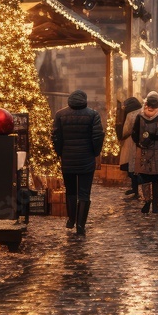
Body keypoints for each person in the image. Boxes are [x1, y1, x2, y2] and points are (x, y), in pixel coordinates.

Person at [51, 89, 104, 234]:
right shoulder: (93, 115)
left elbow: (56, 137)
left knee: (70, 191)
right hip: (86, 158)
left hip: (68, 158)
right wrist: (95, 152)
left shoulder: (60, 115)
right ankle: (81, 225)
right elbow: (98, 136)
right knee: (84, 193)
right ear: (85, 100)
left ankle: (71, 219)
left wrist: (60, 152)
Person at [132, 91, 158, 213]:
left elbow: (134, 133)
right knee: (156, 179)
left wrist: (140, 143)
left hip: (143, 150)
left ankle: (146, 202)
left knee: (145, 178)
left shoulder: (140, 115)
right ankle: (155, 205)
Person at [118, 96, 142, 198]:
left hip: (131, 142)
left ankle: (135, 190)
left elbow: (125, 130)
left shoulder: (130, 115)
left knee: (132, 167)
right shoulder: (143, 112)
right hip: (142, 143)